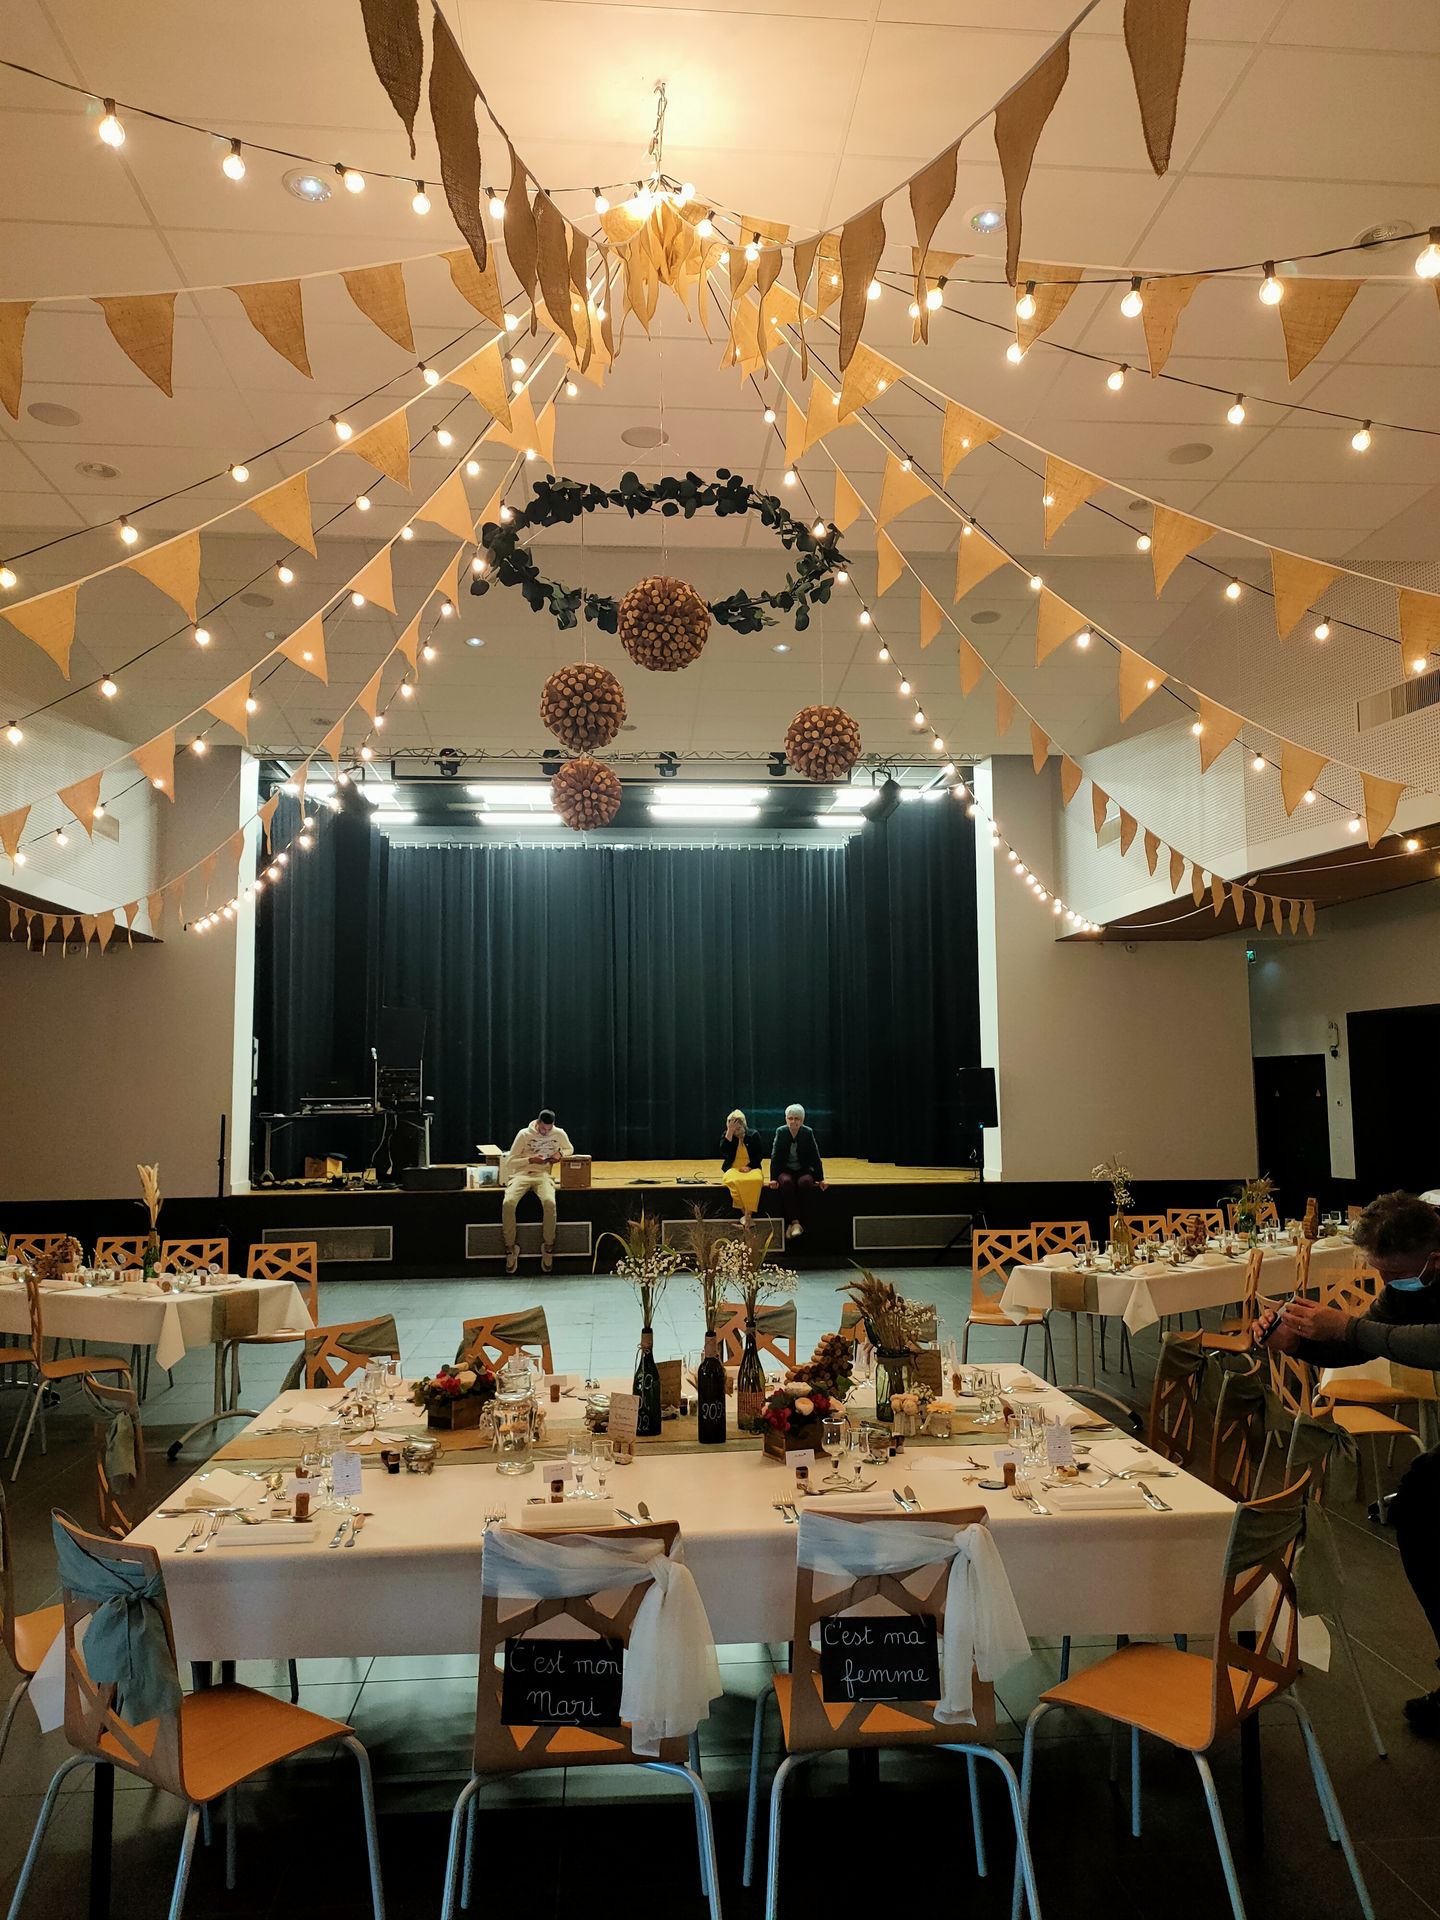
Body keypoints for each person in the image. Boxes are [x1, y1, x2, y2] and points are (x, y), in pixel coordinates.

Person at [1256, 1189, 1440, 1733]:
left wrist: (1350, 1327)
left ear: (1433, 1254)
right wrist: (1298, 1342)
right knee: (1422, 1505)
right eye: (1382, 1275)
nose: (1391, 1287)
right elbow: (1362, 1344)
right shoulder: (1410, 1280)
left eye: (1399, 1275)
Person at [501, 1109, 573, 1275]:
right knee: (508, 1203)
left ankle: (548, 1246)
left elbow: (570, 1148)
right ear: (538, 1123)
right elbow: (509, 1162)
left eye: (548, 1129)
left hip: (543, 1175)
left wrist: (559, 1154)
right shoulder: (524, 1134)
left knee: (549, 1203)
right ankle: (510, 1247)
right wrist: (530, 1159)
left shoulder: (558, 1133)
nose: (545, 1132)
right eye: (542, 1129)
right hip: (521, 1175)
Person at [768, 1103, 827, 1242]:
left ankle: (795, 1222)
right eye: (790, 1118)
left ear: (802, 1120)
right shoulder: (781, 1132)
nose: (793, 1122)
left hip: (803, 1169)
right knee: (787, 1183)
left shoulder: (807, 1132)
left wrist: (821, 1178)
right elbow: (775, 1156)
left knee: (806, 1182)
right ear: (786, 1119)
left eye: (797, 1119)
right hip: (785, 1169)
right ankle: (795, 1222)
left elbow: (815, 1155)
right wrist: (773, 1178)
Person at [720, 1110, 765, 1222]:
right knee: (733, 1181)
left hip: (752, 1168)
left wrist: (749, 1166)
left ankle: (748, 1215)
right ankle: (745, 1214)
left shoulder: (753, 1135)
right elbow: (724, 1151)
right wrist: (730, 1133)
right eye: (733, 1128)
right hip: (733, 1168)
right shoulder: (728, 1135)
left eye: (738, 1128)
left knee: (755, 1180)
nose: (737, 1131)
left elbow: (759, 1155)